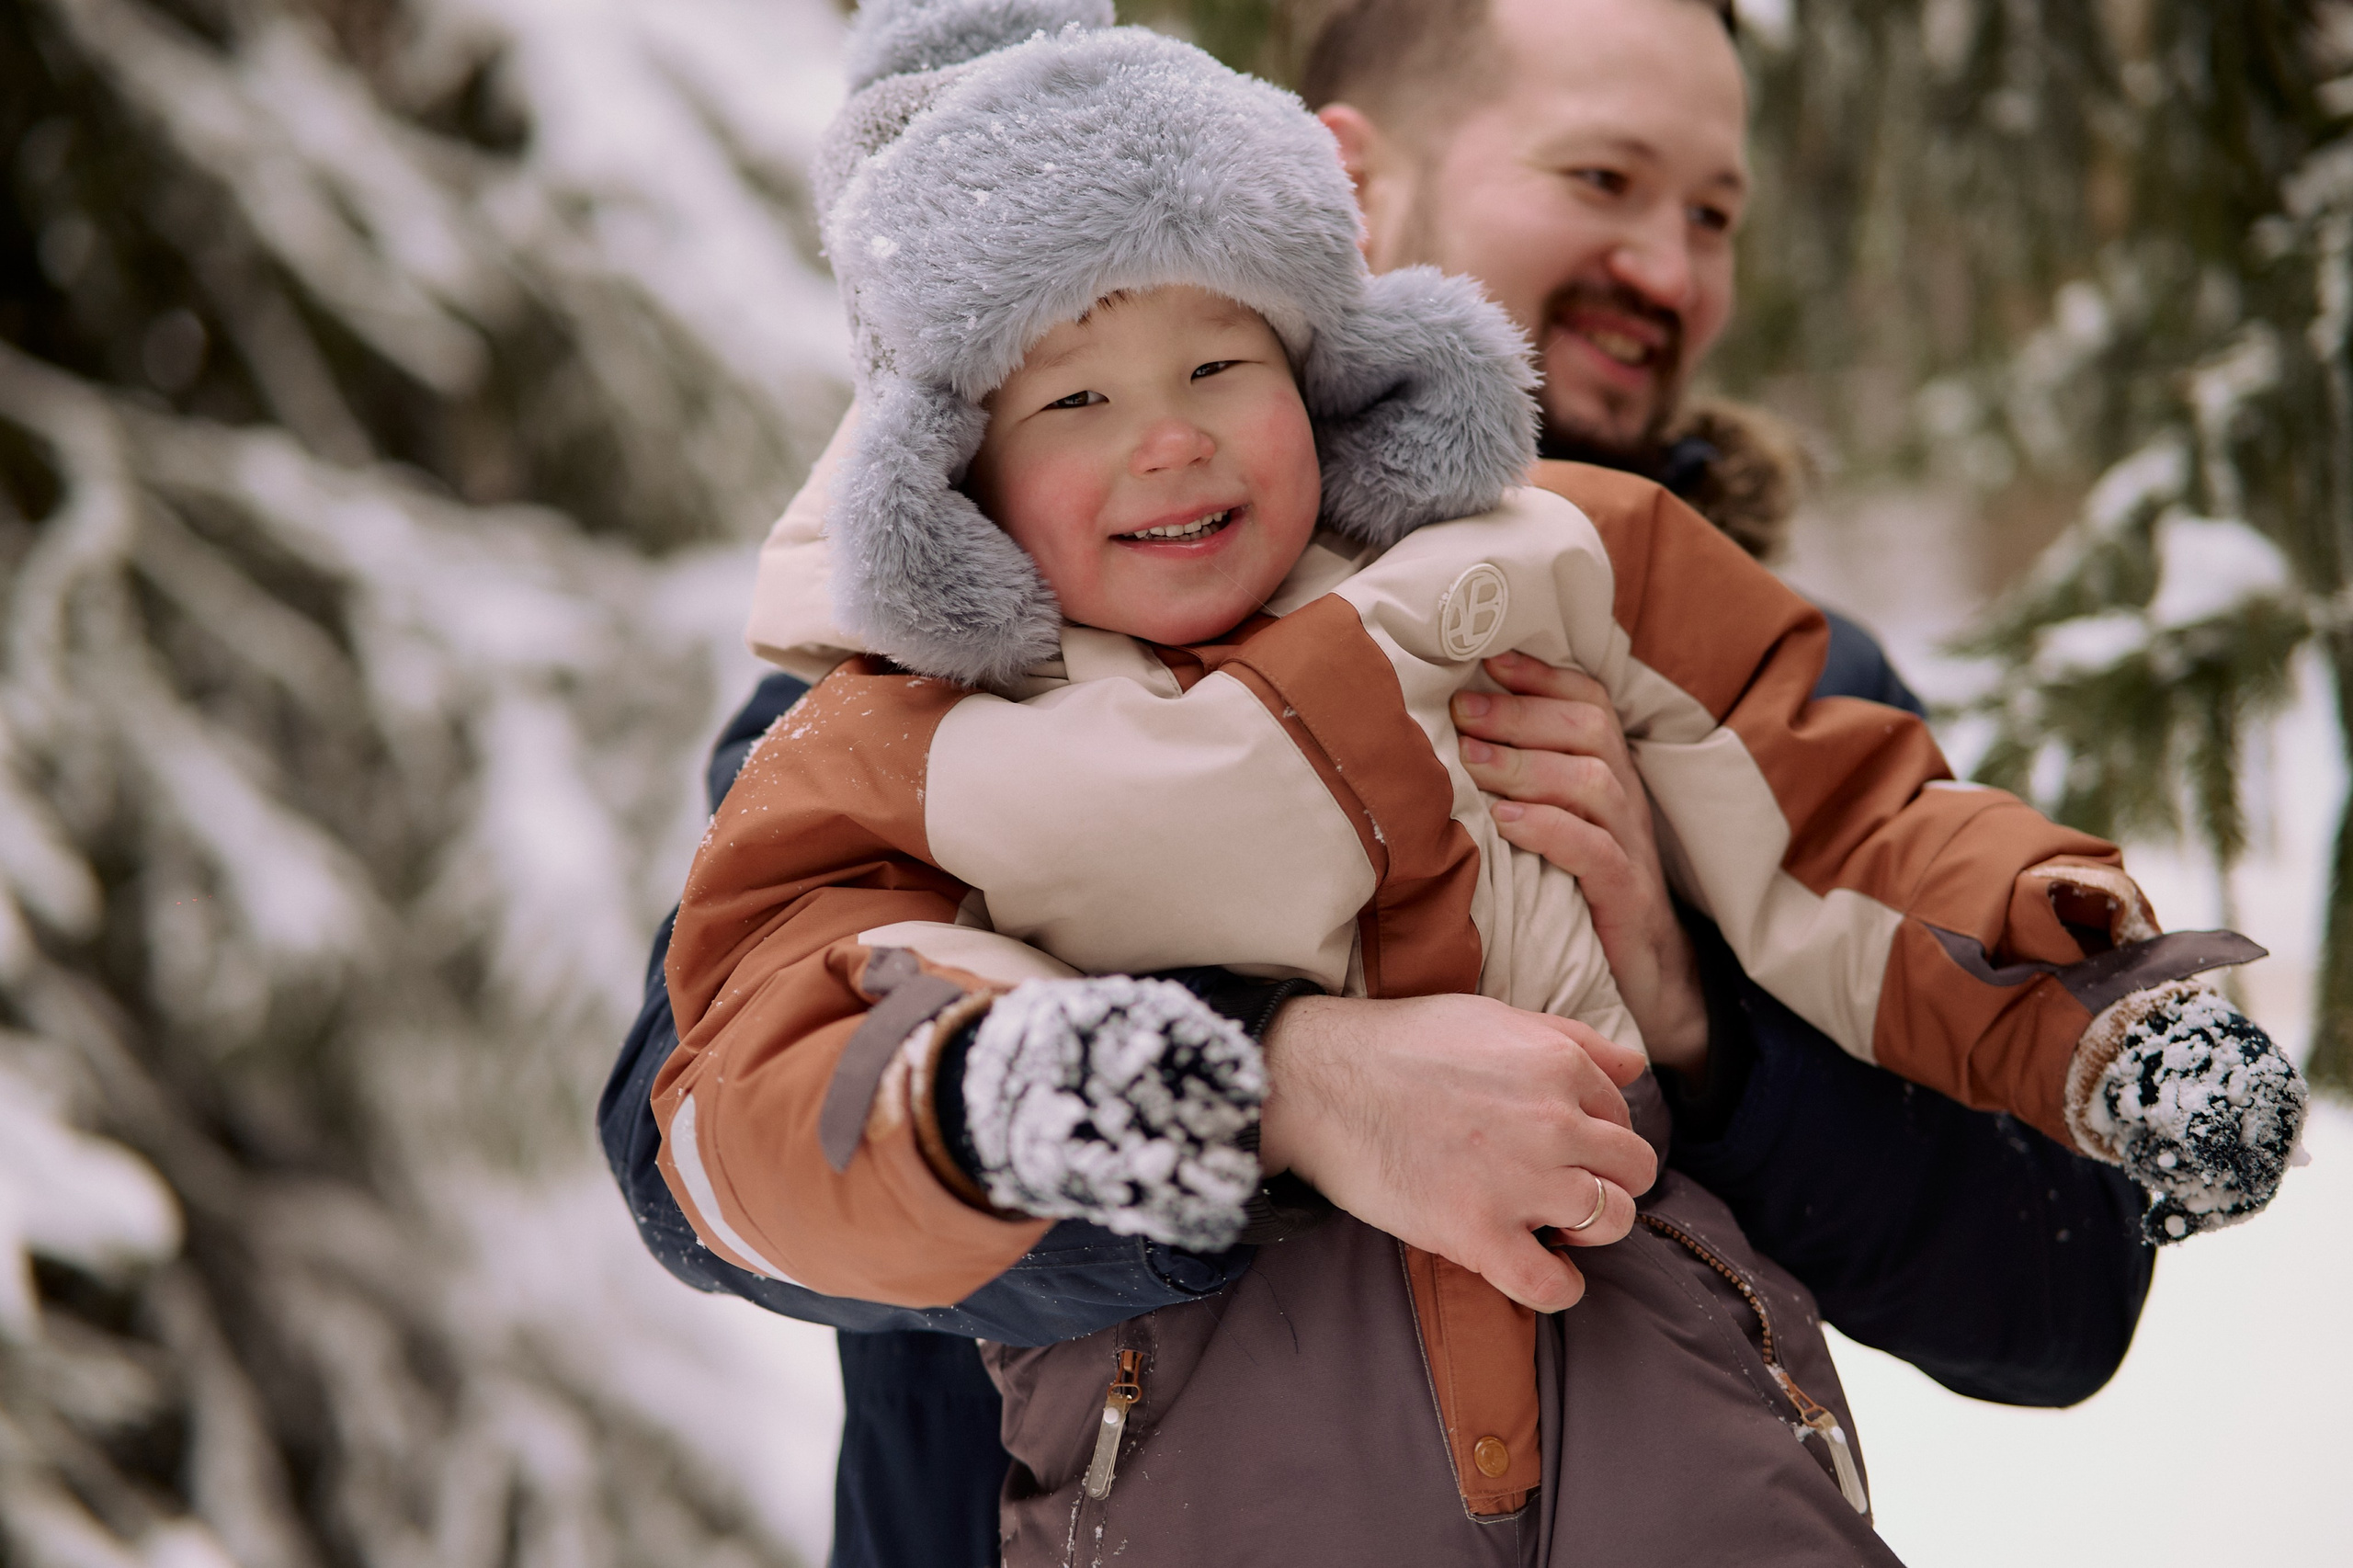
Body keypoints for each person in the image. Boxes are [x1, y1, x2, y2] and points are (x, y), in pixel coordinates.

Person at [640, 8, 2302, 1563]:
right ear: (1351, 182)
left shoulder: (1742, 646)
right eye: (1602, 178)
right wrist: (1261, 1084)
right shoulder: (919, 692)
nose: (1666, 264)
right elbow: (700, 1145)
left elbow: (2053, 1291)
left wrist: (1699, 1011)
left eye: (1716, 213)